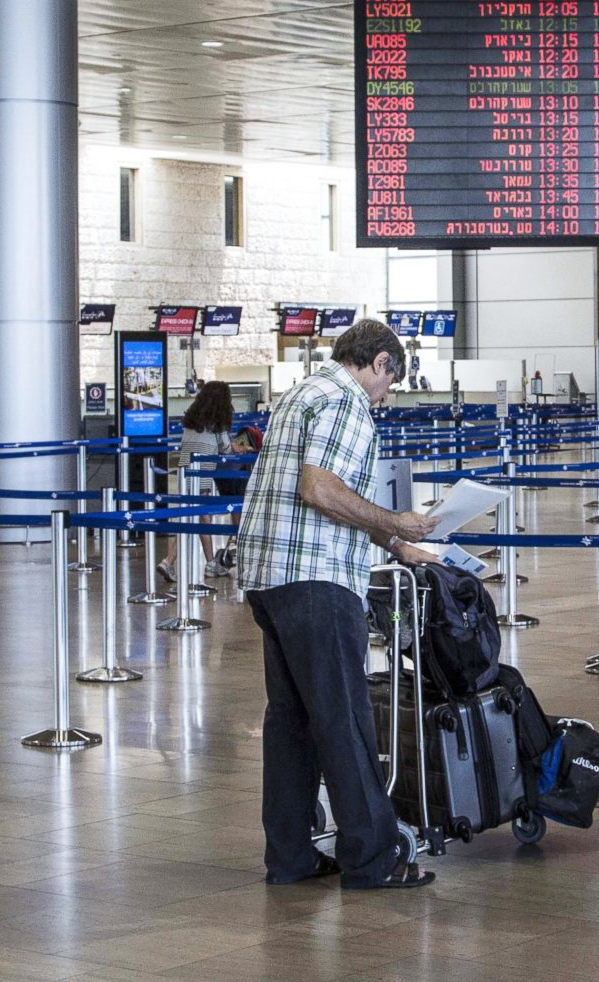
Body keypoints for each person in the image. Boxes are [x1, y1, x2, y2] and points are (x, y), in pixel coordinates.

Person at [238, 320, 438, 891]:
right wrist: (396, 519)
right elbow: (320, 490)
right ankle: (372, 859)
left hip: (270, 577)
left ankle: (291, 858)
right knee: (344, 718)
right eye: (391, 381)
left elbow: (322, 494)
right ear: (378, 363)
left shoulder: (301, 393)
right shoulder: (347, 401)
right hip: (315, 580)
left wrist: (397, 545)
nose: (388, 394)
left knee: (290, 723)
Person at [180, 380, 242, 573]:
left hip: (185, 474)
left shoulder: (191, 421)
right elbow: (226, 448)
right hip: (203, 475)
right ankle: (170, 560)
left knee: (194, 517)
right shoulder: (216, 425)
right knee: (195, 519)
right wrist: (243, 448)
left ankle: (210, 563)